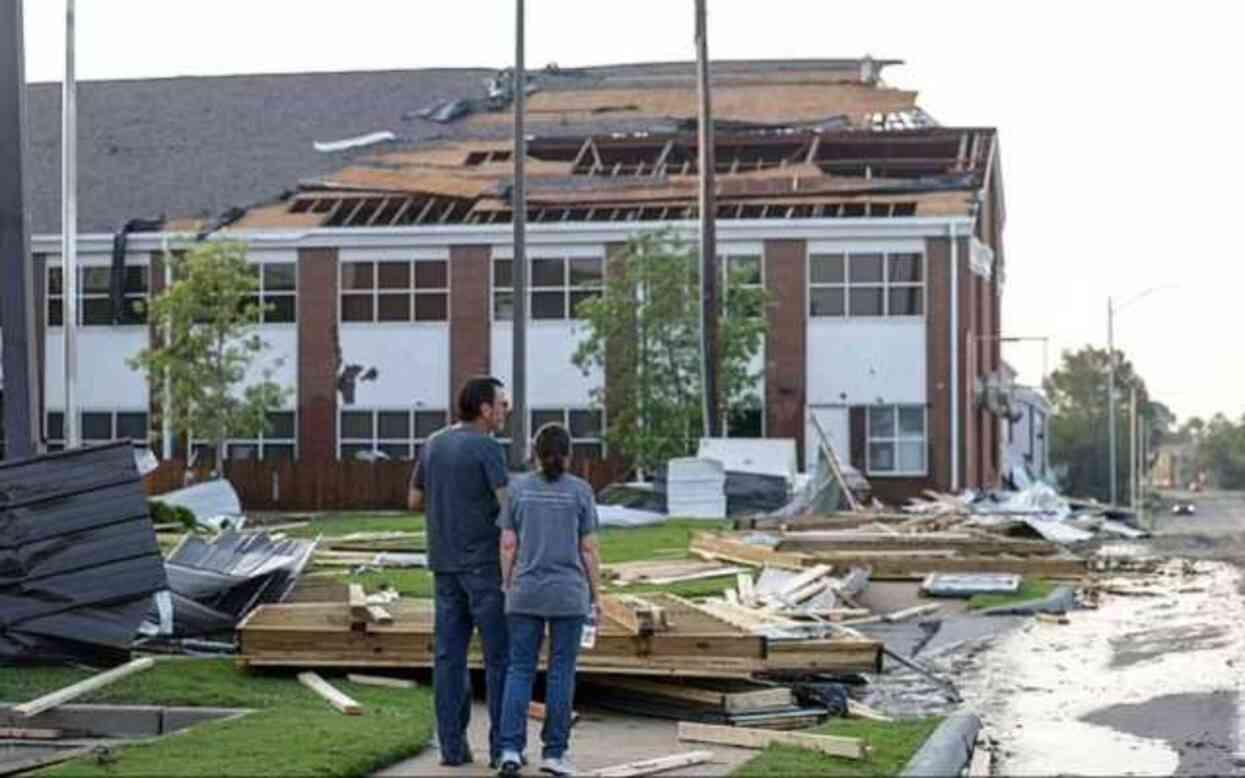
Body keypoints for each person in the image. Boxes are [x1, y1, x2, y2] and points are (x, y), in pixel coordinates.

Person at [408, 376, 512, 768]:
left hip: (444, 566)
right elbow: (508, 509)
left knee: (449, 658)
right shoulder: (487, 448)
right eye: (502, 405)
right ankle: (503, 749)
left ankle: (453, 749)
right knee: (498, 658)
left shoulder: (433, 443)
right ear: (485, 409)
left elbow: (414, 498)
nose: (504, 411)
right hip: (484, 568)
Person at [495, 423, 603, 777]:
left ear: (534, 454)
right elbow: (588, 549)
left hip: (525, 591)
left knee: (519, 669)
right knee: (561, 673)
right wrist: (596, 594)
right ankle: (554, 754)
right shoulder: (581, 492)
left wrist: (507, 583)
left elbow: (508, 544)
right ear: (569, 455)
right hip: (569, 594)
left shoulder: (518, 489)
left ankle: (510, 749)